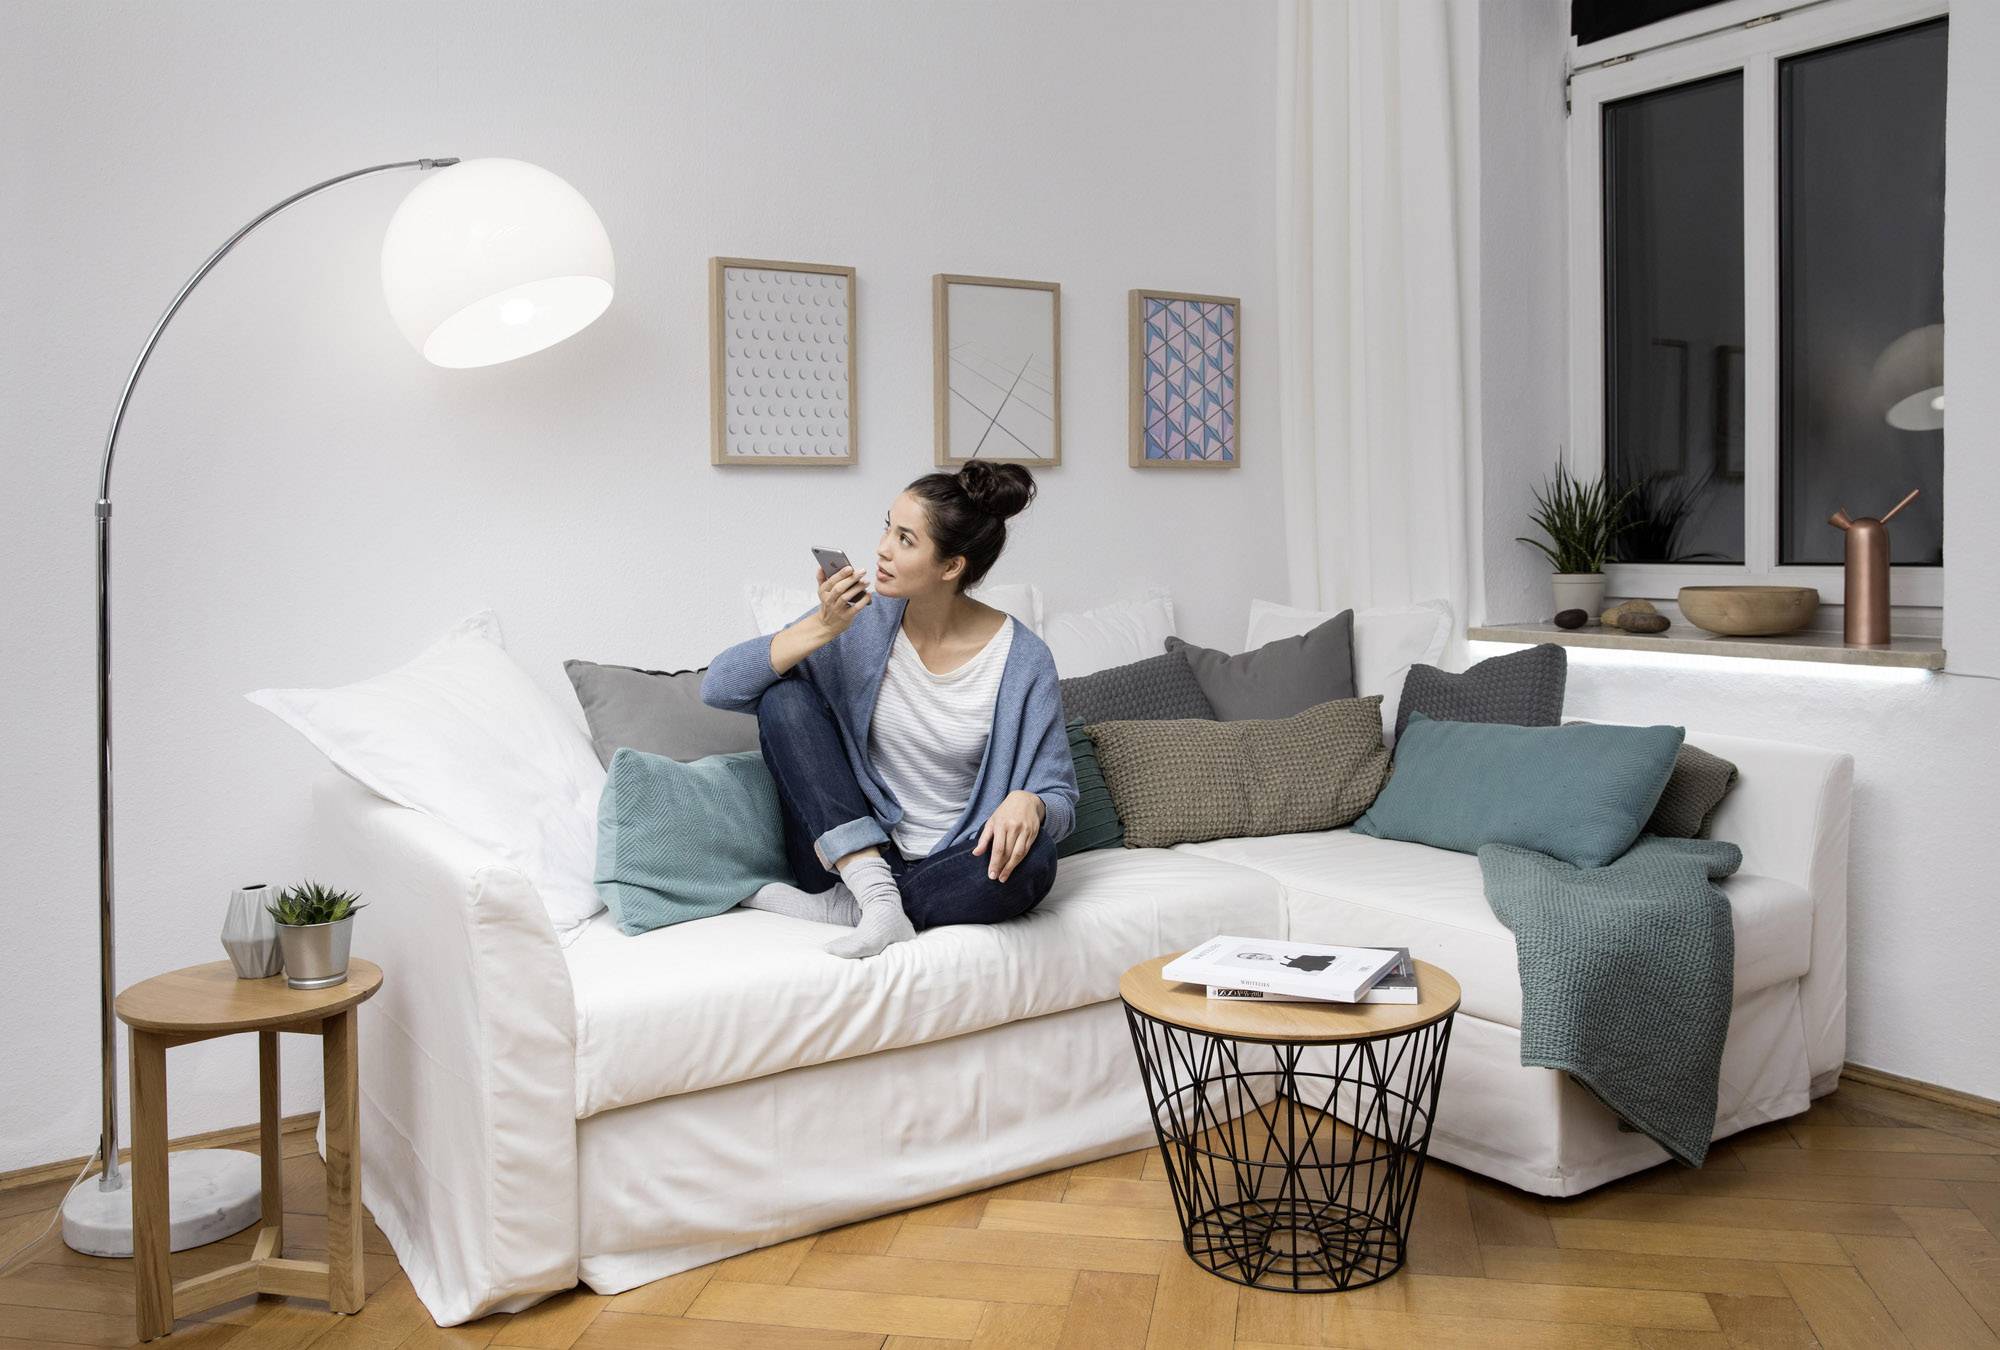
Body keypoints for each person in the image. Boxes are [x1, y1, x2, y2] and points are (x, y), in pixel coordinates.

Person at [700, 462, 1077, 959]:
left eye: (905, 539)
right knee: (783, 698)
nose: (882, 548)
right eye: (887, 527)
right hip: (845, 858)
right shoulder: (860, 622)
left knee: (1034, 864)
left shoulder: (1022, 658)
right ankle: (873, 893)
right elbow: (719, 687)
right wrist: (823, 627)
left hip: (953, 862)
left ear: (950, 567)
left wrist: (1032, 802)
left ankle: (860, 910)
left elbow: (1062, 798)